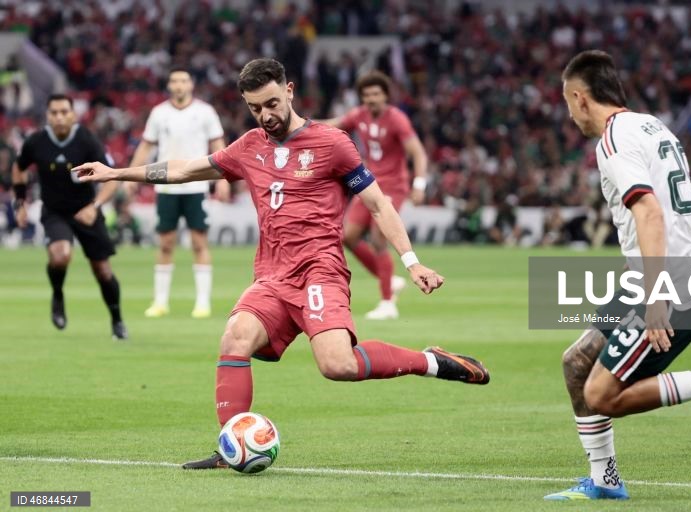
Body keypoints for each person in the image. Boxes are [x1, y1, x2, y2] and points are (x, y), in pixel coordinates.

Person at [73, 58, 490, 470]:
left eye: (272, 103)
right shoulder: (249, 146)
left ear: (289, 91)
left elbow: (378, 204)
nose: (265, 115)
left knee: (338, 365)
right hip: (272, 276)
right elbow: (185, 169)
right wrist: (115, 173)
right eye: (255, 108)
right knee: (235, 337)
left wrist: (412, 262)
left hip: (320, 270)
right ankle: (230, 446)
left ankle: (429, 361)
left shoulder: (332, 144)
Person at [545, 50, 691, 501]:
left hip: (673, 286)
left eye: (567, 103)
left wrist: (656, 297)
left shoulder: (612, 141)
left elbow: (650, 212)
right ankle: (604, 481)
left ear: (581, 98)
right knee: (576, 363)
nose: (570, 115)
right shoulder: (652, 126)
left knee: (601, 395)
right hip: (669, 275)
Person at [11, 94, 127, 339]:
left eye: (64, 112)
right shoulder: (36, 142)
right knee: (60, 255)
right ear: (48, 115)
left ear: (73, 114)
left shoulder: (87, 140)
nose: (59, 117)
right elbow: (18, 168)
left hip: (86, 210)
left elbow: (112, 177)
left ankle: (117, 320)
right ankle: (57, 295)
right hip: (55, 211)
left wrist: (95, 206)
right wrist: (20, 202)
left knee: (103, 271)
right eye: (54, 112)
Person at [322, 71, 428, 320]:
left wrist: (420, 184)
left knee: (380, 238)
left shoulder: (397, 119)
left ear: (386, 95)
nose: (371, 98)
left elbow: (418, 153)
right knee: (347, 236)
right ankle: (389, 279)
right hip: (369, 183)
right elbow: (331, 125)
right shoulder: (359, 115)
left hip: (393, 186)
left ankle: (388, 303)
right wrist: (298, 124)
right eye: (367, 94)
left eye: (376, 94)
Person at [129, 67, 227, 319]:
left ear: (191, 84)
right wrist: (131, 175)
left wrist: (225, 178)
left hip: (196, 185)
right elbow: (146, 146)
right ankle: (160, 302)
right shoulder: (159, 113)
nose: (179, 85)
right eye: (175, 81)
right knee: (165, 243)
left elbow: (218, 146)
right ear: (169, 85)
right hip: (166, 186)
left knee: (199, 242)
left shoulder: (205, 112)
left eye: (184, 80)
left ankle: (202, 302)